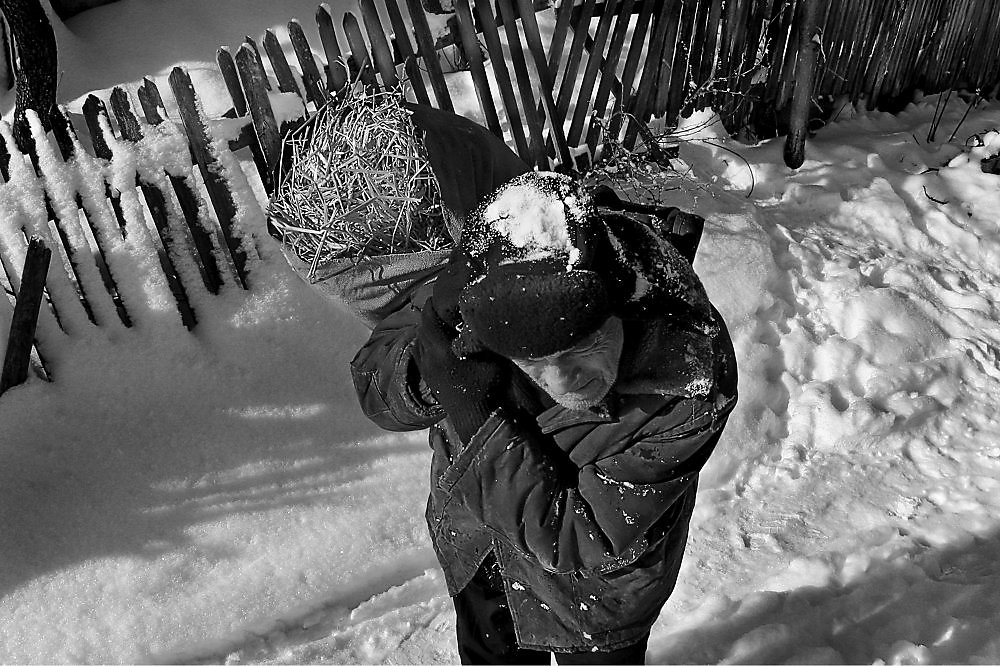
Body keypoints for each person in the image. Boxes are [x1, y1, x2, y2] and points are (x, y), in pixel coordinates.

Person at [351, 165, 737, 664]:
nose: (566, 380)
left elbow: (582, 537)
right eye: (536, 361)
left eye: (587, 344)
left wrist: (471, 412)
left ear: (623, 305)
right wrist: (432, 357)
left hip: (595, 596)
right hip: (482, 550)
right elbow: (374, 391)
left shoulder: (686, 379)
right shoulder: (494, 270)